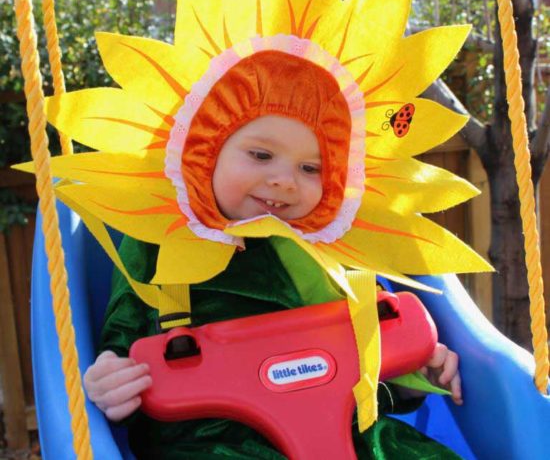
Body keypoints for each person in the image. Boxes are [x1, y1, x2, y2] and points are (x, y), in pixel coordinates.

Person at [83, 76, 463, 459]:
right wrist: (111, 377)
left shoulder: (330, 247)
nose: (285, 181)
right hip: (209, 436)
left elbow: (362, 359)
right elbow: (125, 327)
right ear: (206, 148)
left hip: (340, 426)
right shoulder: (161, 238)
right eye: (261, 156)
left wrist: (412, 377)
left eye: (311, 168)